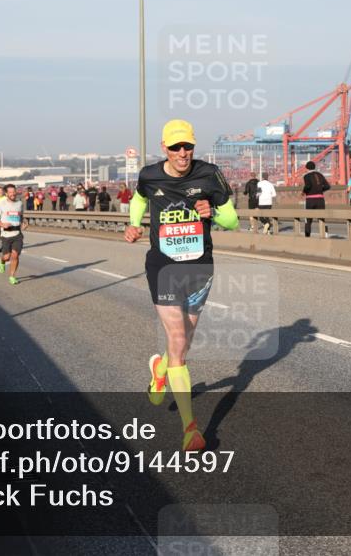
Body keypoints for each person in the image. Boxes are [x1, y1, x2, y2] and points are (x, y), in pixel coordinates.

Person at [124, 119, 238, 451]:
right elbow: (139, 200)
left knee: (183, 343)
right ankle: (191, 429)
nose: (182, 153)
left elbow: (233, 221)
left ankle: (160, 369)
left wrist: (212, 212)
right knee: (176, 339)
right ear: (165, 148)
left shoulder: (209, 174)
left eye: (187, 146)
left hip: (200, 268)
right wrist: (133, 224)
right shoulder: (149, 175)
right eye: (175, 147)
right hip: (163, 267)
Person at [0, 184, 28, 285]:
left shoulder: (19, 204)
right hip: (5, 234)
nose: (13, 194)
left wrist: (24, 223)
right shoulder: (2, 204)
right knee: (7, 256)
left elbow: (20, 215)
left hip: (17, 234)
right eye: (10, 192)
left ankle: (12, 276)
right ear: (6, 193)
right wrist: (2, 224)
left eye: (14, 191)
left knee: (15, 255)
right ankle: (2, 261)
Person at [302, 161, 330, 238]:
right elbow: (327, 186)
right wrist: (320, 190)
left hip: (310, 200)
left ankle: (307, 237)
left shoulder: (306, 176)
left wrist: (303, 192)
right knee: (321, 218)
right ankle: (325, 234)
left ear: (307, 168)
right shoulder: (320, 175)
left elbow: (308, 186)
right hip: (320, 199)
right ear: (314, 167)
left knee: (308, 219)